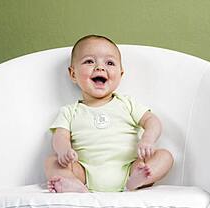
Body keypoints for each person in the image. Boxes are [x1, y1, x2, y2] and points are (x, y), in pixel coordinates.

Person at [44, 35, 174, 193]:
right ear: (73, 74)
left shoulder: (127, 104)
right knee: (52, 162)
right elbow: (59, 136)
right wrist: (63, 151)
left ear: (120, 74)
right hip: (85, 173)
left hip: (130, 169)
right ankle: (74, 185)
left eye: (110, 63)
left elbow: (152, 121)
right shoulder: (70, 111)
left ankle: (137, 181)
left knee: (165, 156)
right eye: (89, 61)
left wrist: (148, 139)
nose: (100, 68)